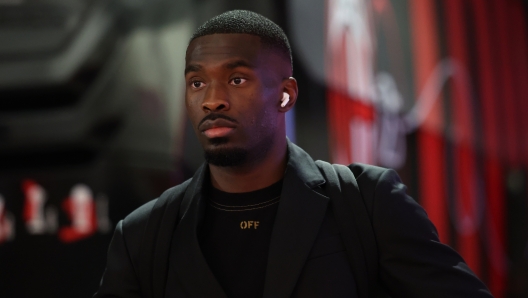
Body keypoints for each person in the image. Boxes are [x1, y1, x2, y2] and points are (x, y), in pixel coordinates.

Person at [94, 10, 493, 298]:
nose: (212, 100)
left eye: (236, 79)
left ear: (285, 94)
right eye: (197, 82)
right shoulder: (143, 234)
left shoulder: (368, 203)